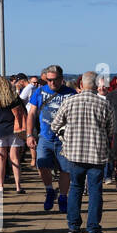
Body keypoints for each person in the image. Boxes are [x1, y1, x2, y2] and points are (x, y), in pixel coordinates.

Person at [50, 70, 115, 233]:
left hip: (75, 153)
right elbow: (110, 130)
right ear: (96, 86)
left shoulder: (69, 101)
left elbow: (54, 125)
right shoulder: (105, 104)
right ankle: (93, 228)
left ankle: (73, 226)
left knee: (76, 188)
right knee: (95, 191)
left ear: (81, 85)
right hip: (96, 153)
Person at [27, 65, 76, 213]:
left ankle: (62, 197)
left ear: (61, 79)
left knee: (65, 169)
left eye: (54, 80)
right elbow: (31, 114)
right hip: (45, 136)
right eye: (48, 80)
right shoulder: (39, 92)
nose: (51, 83)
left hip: (64, 139)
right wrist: (29, 135)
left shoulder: (71, 93)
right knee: (41, 164)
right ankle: (49, 190)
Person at [0, 75, 26, 192]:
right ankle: (18, 186)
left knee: (1, 158)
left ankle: (1, 185)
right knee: (15, 158)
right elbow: (23, 111)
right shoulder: (14, 98)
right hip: (14, 129)